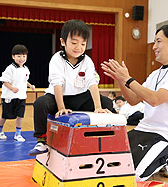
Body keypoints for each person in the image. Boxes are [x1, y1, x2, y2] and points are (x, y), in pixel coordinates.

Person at [101, 24, 168, 181]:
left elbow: (154, 99)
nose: (154, 47)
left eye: (158, 41)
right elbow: (133, 100)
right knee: (109, 162)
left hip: (165, 135)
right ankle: (164, 156)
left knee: (133, 176)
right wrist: (120, 80)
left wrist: (127, 78)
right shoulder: (155, 74)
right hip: (143, 129)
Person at [28, 19, 114, 156]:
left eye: (83, 44)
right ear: (63, 42)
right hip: (58, 97)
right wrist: (61, 107)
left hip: (80, 97)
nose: (78, 47)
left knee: (107, 103)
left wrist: (98, 107)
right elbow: (57, 84)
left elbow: (92, 82)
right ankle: (41, 141)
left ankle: (104, 138)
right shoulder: (57, 58)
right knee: (40, 103)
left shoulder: (87, 61)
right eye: (74, 43)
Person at [0, 44, 35, 142]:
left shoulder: (26, 69)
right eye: (19, 56)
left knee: (20, 115)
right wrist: (11, 88)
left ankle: (18, 134)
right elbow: (4, 81)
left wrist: (30, 86)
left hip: (21, 96)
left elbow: (25, 80)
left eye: (24, 56)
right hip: (9, 96)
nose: (22, 58)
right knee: (6, 115)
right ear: (13, 56)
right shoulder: (10, 69)